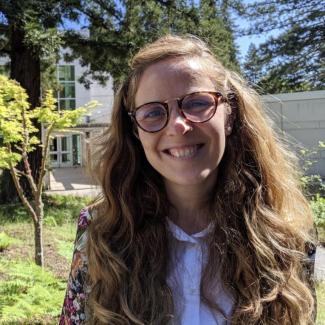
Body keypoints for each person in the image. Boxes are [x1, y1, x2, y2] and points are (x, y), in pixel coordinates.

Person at [59, 35, 317, 325]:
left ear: (229, 115)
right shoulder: (100, 232)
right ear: (136, 131)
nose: (178, 125)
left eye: (196, 103)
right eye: (154, 112)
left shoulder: (288, 238)